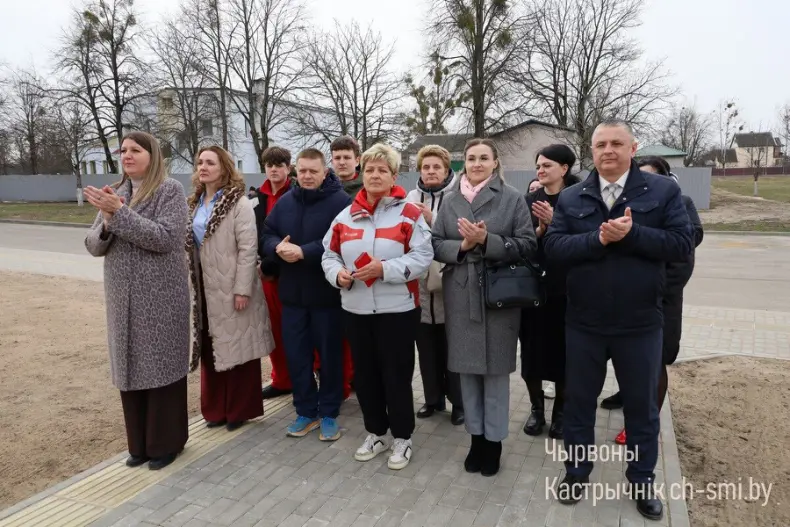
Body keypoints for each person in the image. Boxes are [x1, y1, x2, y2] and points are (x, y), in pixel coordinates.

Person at [544, 119, 692, 520]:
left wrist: (632, 235)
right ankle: (576, 471)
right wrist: (598, 239)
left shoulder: (663, 191)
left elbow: (681, 243)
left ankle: (642, 479)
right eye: (600, 144)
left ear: (633, 147)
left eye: (616, 143)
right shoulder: (573, 196)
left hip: (640, 323)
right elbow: (554, 248)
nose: (607, 150)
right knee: (578, 404)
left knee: (642, 408)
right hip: (584, 324)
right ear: (591, 151)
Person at [322, 143, 433, 470]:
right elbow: (328, 255)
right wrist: (338, 275)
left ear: (393, 176)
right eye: (369, 169)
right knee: (367, 377)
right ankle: (376, 432)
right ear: (362, 173)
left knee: (396, 376)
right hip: (355, 310)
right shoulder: (344, 216)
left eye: (381, 170)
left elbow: (423, 257)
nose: (374, 175)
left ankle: (403, 437)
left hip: (397, 311)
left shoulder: (409, 213)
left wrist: (385, 269)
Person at [84, 131, 190, 471]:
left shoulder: (169, 190)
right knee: (130, 369)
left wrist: (120, 215)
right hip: (121, 298)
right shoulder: (116, 193)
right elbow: (93, 245)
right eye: (123, 150)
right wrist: (107, 222)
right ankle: (140, 444)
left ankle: (166, 443)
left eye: (135, 150)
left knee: (160, 368)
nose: (127, 156)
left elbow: (166, 238)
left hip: (160, 298)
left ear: (152, 155)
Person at [432, 138, 536, 477]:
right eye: (471, 158)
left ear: (495, 163)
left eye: (483, 158)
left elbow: (526, 244)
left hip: (497, 298)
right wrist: (462, 245)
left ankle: (494, 443)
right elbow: (434, 243)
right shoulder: (450, 201)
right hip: (461, 295)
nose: (476, 164)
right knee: (467, 374)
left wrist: (487, 242)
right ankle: (476, 438)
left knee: (494, 376)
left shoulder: (512, 199)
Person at [600, 155, 704, 445]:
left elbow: (683, 258)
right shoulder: (621, 201)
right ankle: (626, 395)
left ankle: (646, 422)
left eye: (646, 176)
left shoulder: (679, 202)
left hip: (660, 302)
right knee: (626, 359)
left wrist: (654, 290)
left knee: (653, 364)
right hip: (626, 302)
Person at [261, 148, 352, 441]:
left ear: (325, 172)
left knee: (330, 358)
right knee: (297, 357)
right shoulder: (286, 201)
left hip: (327, 298)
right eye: (302, 171)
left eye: (313, 170)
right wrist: (277, 247)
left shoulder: (341, 203)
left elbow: (343, 242)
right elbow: (266, 233)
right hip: (292, 298)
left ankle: (328, 413)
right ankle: (305, 411)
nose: (308, 176)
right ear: (295, 172)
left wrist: (304, 252)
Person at [186, 146, 275, 432]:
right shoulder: (195, 202)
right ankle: (215, 409)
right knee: (212, 346)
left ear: (224, 168)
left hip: (232, 284)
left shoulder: (239, 203)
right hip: (204, 286)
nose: (203, 167)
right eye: (200, 162)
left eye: (210, 162)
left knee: (238, 346)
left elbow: (249, 248)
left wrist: (242, 289)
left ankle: (239, 409)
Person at [521, 144, 580, 440]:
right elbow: (520, 244)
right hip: (533, 291)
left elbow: (586, 241)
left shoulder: (579, 200)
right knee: (531, 355)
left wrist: (555, 221)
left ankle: (560, 414)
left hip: (568, 292)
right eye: (538, 166)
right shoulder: (528, 200)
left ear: (564, 168)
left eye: (547, 165)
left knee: (564, 357)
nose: (541, 171)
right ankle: (536, 410)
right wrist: (541, 229)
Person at [406, 145, 464, 426]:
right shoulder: (410, 197)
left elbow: (461, 232)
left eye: (436, 167)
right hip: (420, 286)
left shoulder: (459, 196)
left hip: (451, 282)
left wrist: (432, 220)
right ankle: (432, 399)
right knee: (426, 347)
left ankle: (459, 402)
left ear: (446, 169)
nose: (430, 172)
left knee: (453, 347)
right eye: (425, 167)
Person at [254, 146, 295, 400]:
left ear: (288, 168)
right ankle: (282, 379)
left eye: (279, 165)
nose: (274, 169)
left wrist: (274, 265)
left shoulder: (298, 193)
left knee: (298, 328)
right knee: (274, 329)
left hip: (292, 271)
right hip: (265, 274)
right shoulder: (255, 197)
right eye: (269, 165)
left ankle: (311, 374)